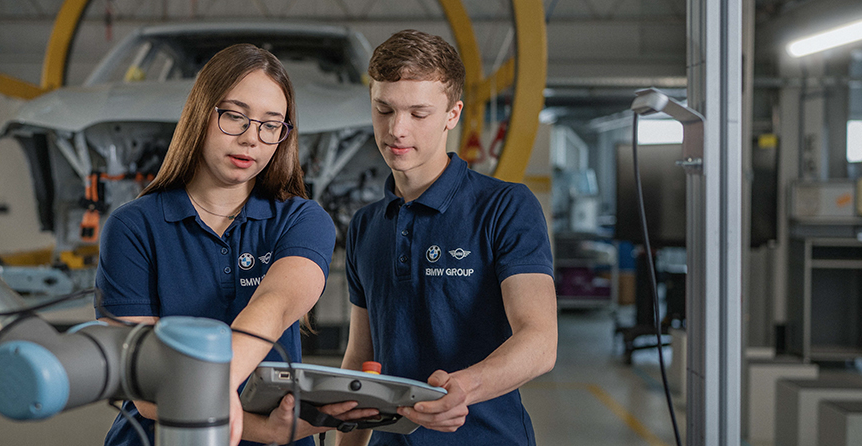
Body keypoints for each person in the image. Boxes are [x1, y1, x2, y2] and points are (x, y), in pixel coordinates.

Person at [95, 43, 376, 446]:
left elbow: (276, 304)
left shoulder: (301, 220)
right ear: (200, 113)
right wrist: (265, 429)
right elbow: (144, 387)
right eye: (234, 116)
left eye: (270, 125)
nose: (251, 139)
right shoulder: (133, 227)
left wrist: (217, 383)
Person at [338, 30, 558, 446]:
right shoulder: (366, 225)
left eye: (418, 113)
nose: (397, 129)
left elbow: (540, 340)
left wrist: (464, 388)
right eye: (384, 109)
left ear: (452, 114)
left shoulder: (505, 207)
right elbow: (361, 357)